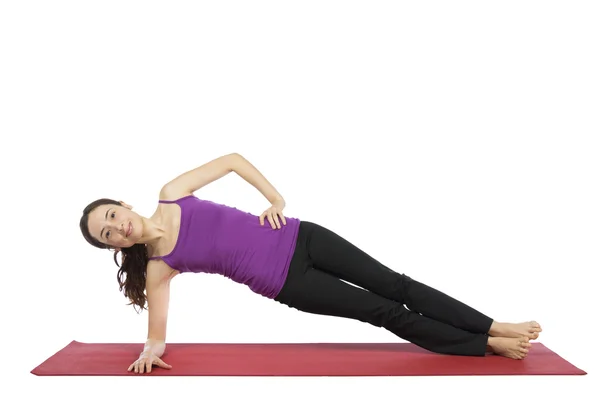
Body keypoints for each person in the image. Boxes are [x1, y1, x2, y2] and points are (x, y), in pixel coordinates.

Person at [80, 152, 542, 374]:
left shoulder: (171, 192)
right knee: (382, 312)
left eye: (112, 216)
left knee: (397, 284)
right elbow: (157, 335)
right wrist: (148, 352)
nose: (117, 227)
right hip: (289, 284)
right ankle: (483, 344)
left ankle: (493, 324)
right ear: (114, 248)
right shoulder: (161, 266)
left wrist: (275, 198)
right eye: (107, 234)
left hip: (301, 236)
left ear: (122, 205)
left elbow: (233, 161)